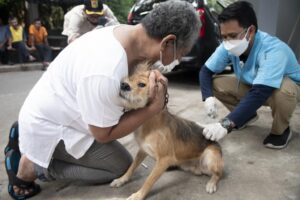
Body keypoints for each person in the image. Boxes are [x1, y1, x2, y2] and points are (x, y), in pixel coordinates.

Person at [4, 1, 201, 199]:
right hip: (52, 123)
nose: (178, 59)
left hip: (62, 109)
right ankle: (35, 166)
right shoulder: (106, 70)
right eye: (181, 53)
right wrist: (151, 110)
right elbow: (103, 134)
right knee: (116, 169)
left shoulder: (124, 34)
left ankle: (26, 135)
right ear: (167, 42)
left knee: (122, 162)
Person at [200, 1, 300, 149]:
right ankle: (246, 116)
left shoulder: (273, 49)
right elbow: (205, 71)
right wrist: (207, 97)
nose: (227, 42)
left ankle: (281, 130)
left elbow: (260, 92)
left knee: (283, 91)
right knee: (216, 83)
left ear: (251, 31)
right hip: (255, 85)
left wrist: (226, 124)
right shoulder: (227, 45)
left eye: (233, 35)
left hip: (286, 89)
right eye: (224, 36)